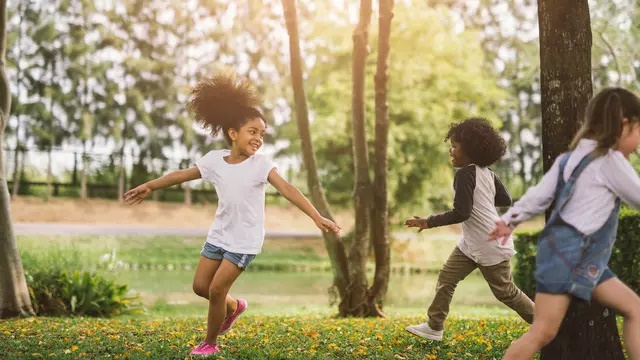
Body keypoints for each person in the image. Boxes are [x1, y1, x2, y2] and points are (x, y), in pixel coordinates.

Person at [124, 73, 341, 357]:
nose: (258, 138)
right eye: (252, 131)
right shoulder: (215, 161)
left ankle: (210, 343)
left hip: (245, 239)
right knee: (200, 286)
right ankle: (235, 306)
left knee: (216, 290)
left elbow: (288, 189)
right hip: (220, 233)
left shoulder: (261, 165)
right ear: (233, 133)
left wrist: (316, 216)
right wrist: (150, 185)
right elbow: (183, 175)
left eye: (262, 134)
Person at [488, 88, 640, 360]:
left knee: (634, 309)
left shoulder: (570, 159)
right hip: (572, 256)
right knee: (543, 332)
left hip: (575, 257)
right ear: (624, 125)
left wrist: (509, 220)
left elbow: (539, 195)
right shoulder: (610, 161)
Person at [405, 117, 534, 341]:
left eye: (455, 146)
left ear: (470, 150)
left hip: (488, 243)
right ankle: (434, 326)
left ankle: (547, 324)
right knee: (447, 277)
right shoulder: (488, 173)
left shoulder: (465, 174)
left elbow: (461, 213)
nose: (451, 150)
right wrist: (484, 197)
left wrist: (429, 221)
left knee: (506, 292)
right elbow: (505, 199)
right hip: (472, 243)